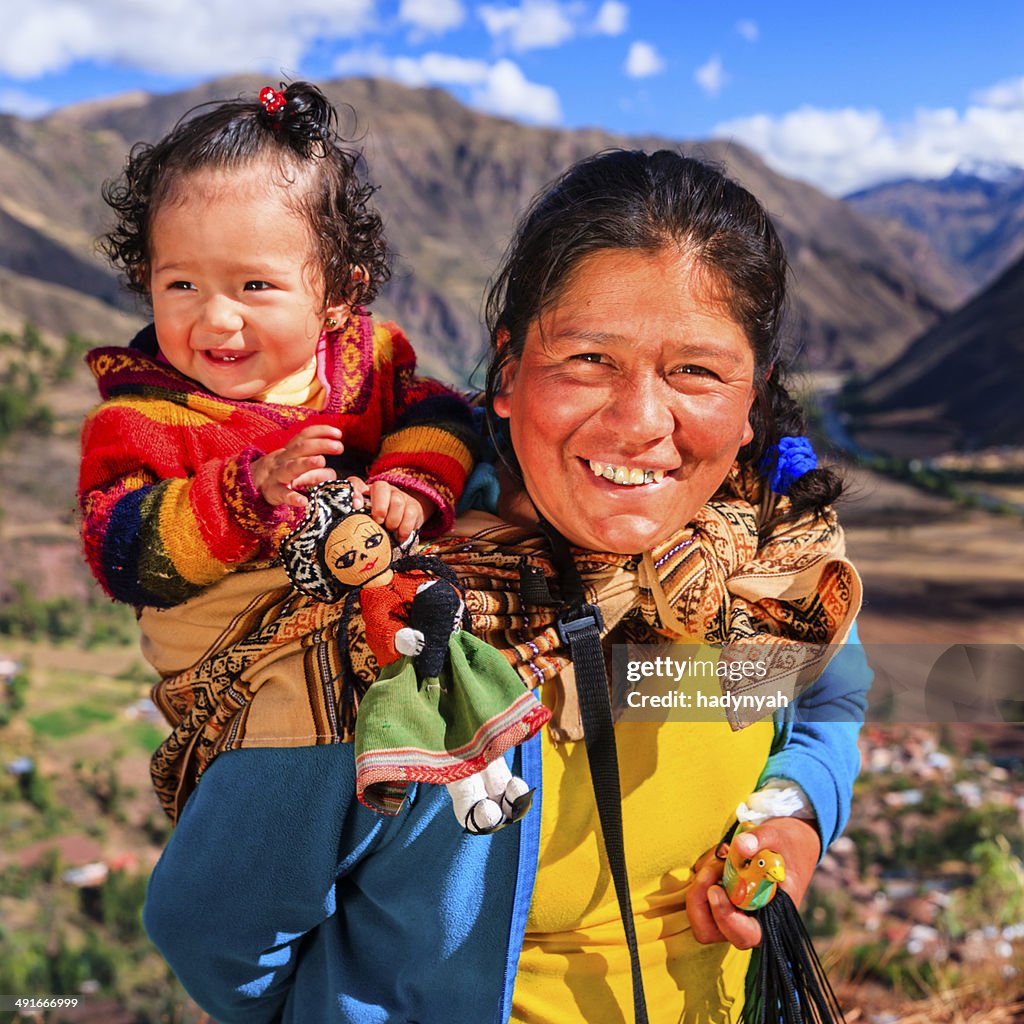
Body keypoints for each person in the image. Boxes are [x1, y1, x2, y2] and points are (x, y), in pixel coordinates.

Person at [142, 149, 871, 1024]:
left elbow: (825, 705)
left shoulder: (768, 569)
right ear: (507, 371)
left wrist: (792, 816)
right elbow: (214, 932)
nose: (641, 424)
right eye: (589, 359)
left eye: (697, 371)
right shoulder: (391, 642)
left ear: (753, 396)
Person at [78, 80, 476, 617]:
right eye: (181, 286)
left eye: (255, 286)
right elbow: (119, 550)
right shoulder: (137, 423)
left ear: (339, 295)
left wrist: (410, 484)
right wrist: (243, 498)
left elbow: (443, 415)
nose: (216, 319)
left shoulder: (371, 365)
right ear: (146, 279)